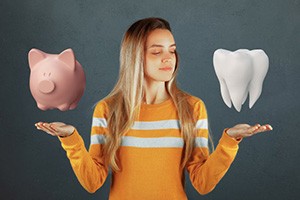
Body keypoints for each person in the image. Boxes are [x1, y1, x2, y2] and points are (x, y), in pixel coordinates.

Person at [35, 17, 272, 200]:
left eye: (172, 50)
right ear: (135, 57)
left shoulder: (192, 108)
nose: (168, 58)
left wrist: (230, 141)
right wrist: (71, 140)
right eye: (157, 52)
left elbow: (202, 183)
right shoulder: (108, 110)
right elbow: (92, 181)